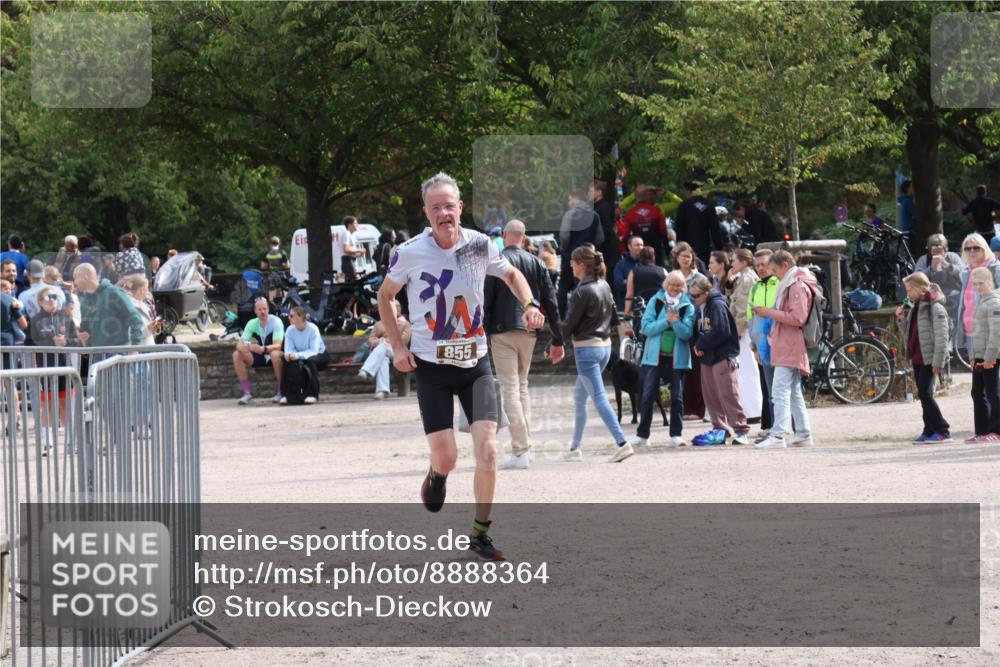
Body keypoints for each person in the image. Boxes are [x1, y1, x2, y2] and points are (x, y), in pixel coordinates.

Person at [376, 172, 545, 561]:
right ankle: (437, 474)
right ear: (426, 212)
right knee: (448, 457)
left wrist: (531, 304)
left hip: (476, 362)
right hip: (432, 366)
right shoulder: (410, 252)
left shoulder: (480, 245)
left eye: (449, 206)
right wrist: (397, 346)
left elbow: (513, 274)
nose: (443, 213)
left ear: (460, 208)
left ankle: (479, 534)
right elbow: (386, 297)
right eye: (435, 207)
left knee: (488, 451)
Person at [483, 219, 564, 470]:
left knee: (510, 389)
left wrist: (482, 332)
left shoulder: (496, 262)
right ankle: (527, 446)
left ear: (505, 235)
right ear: (524, 236)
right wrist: (558, 338)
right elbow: (551, 302)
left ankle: (521, 449)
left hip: (502, 330)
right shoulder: (538, 263)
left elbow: (487, 301)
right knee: (522, 387)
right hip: (530, 329)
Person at [562, 245, 631, 462]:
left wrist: (554, 343)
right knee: (580, 396)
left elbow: (569, 323)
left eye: (573, 262)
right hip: (604, 346)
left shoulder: (582, 291)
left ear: (582, 265)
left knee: (599, 397)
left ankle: (622, 442)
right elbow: (614, 318)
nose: (571, 265)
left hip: (587, 349)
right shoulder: (604, 285)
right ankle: (574, 448)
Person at [751, 250, 815, 449]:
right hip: (785, 343)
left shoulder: (796, 285)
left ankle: (778, 434)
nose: (773, 274)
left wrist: (769, 312)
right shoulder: (790, 283)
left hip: (789, 343)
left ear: (785, 265)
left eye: (775, 270)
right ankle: (803, 433)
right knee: (793, 391)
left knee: (779, 390)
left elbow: (798, 318)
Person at [628, 270, 696, 448]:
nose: (674, 288)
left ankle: (676, 434)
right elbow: (646, 328)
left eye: (678, 285)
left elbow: (687, 333)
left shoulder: (688, 305)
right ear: (666, 284)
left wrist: (675, 322)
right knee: (648, 395)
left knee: (677, 398)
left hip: (677, 357)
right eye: (671, 284)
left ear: (683, 287)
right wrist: (666, 321)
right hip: (654, 357)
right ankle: (642, 435)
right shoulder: (655, 301)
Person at [688, 276, 750, 446]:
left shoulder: (717, 305)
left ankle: (741, 430)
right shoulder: (700, 306)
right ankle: (720, 429)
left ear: (706, 293)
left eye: (696, 296)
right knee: (711, 397)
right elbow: (698, 330)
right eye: (691, 296)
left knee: (729, 394)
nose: (693, 299)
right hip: (708, 357)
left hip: (722, 356)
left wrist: (701, 343)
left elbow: (721, 330)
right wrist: (697, 344)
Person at [895, 273, 952, 443]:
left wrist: (938, 361)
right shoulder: (915, 306)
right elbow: (909, 334)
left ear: (922, 288)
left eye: (910, 290)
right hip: (917, 357)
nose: (908, 294)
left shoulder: (936, 308)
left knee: (926, 394)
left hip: (930, 358)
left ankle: (943, 430)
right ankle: (929, 430)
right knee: (922, 395)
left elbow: (942, 336)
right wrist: (902, 320)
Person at [27, 285, 80, 452]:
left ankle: (71, 442)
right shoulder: (35, 320)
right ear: (41, 302)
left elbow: (76, 341)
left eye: (55, 297)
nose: (53, 301)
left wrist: (67, 342)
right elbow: (30, 344)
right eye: (49, 298)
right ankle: (48, 443)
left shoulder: (66, 317)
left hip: (65, 367)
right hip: (45, 368)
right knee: (48, 405)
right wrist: (51, 343)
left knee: (66, 405)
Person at [671, 242, 707, 421]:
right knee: (680, 367)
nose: (686, 259)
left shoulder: (699, 277)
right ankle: (683, 407)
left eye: (689, 255)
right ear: (676, 258)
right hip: (676, 325)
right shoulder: (672, 276)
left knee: (696, 368)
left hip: (695, 325)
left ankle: (698, 408)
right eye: (683, 256)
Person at [726, 248, 763, 422]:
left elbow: (742, 309)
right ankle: (752, 409)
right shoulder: (743, 278)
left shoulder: (747, 279)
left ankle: (754, 411)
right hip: (745, 328)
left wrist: (737, 332)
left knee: (748, 370)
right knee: (746, 370)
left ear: (743, 261)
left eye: (734, 260)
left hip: (744, 329)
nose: (731, 263)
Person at [747, 249, 779, 436]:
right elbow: (751, 319)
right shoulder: (755, 288)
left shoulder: (781, 284)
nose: (761, 269)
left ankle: (791, 427)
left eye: (764, 265)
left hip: (782, 343)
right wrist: (755, 346)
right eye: (757, 265)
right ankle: (775, 427)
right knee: (770, 389)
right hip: (763, 347)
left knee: (786, 388)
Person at [557, 188, 604, 317]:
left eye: (569, 199)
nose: (569, 202)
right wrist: (590, 249)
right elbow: (600, 238)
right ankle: (586, 315)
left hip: (570, 256)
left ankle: (562, 317)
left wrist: (564, 249)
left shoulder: (570, 214)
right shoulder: (595, 215)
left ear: (574, 197)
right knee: (586, 285)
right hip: (588, 256)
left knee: (563, 286)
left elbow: (564, 236)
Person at [72, 263, 144, 346]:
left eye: (76, 278)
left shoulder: (113, 292)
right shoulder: (85, 302)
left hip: (119, 354)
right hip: (97, 355)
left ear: (85, 277)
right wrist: (82, 335)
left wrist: (134, 346)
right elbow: (86, 331)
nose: (74, 282)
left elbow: (135, 318)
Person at [955, 233, 1000, 361]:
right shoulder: (966, 272)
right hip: (971, 331)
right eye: (968, 248)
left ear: (985, 248)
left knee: (992, 376)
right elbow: (964, 304)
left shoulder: (995, 268)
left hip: (991, 332)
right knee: (979, 375)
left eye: (976, 247)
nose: (972, 251)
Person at [967, 267, 1000, 442]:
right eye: (975, 284)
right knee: (976, 392)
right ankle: (982, 431)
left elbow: (997, 333)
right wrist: (973, 356)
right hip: (980, 356)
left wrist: (989, 357)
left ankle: (996, 431)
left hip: (991, 356)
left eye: (981, 283)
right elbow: (976, 333)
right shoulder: (981, 302)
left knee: (993, 393)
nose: (978, 287)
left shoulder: (994, 303)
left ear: (989, 282)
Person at [232, 296, 285, 405]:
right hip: (260, 355)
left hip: (274, 354)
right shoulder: (252, 323)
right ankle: (247, 393)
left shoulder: (276, 321)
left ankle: (281, 392)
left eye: (265, 309)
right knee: (237, 354)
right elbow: (240, 342)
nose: (263, 312)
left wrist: (263, 348)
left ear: (268, 310)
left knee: (275, 354)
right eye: (260, 309)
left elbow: (278, 345)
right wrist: (242, 347)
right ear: (255, 311)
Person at [359, 299, 411, 400]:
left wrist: (383, 340)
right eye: (395, 306)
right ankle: (382, 391)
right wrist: (375, 341)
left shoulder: (405, 324)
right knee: (383, 358)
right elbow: (371, 339)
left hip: (398, 352)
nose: (398, 308)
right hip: (383, 352)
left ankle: (366, 371)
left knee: (383, 346)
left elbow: (403, 340)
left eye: (398, 306)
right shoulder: (379, 324)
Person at [915, 234, 965, 324]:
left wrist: (948, 266)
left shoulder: (952, 256)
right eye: (934, 247)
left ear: (946, 248)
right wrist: (930, 269)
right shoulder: (923, 260)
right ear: (929, 249)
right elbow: (915, 279)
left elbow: (964, 273)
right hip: (932, 296)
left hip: (953, 295)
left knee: (956, 299)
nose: (937, 250)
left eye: (940, 247)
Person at [282, 306, 326, 405]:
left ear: (300, 317)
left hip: (319, 354)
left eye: (291, 315)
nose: (289, 317)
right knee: (286, 361)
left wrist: (297, 356)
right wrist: (288, 355)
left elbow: (313, 351)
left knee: (310, 360)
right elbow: (288, 348)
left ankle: (313, 394)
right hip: (299, 355)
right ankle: (286, 394)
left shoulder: (313, 329)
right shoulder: (289, 330)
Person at [674, 182, 724, 265]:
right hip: (704, 247)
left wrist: (679, 247)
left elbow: (678, 227)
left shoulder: (684, 205)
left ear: (688, 190)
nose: (683, 193)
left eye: (684, 190)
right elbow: (715, 229)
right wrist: (719, 248)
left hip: (687, 248)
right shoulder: (709, 205)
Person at [624, 184, 668, 266]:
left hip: (638, 252)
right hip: (655, 251)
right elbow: (663, 231)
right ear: (647, 194)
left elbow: (626, 235)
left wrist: (628, 251)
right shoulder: (657, 211)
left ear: (635, 195)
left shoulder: (629, 213)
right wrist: (668, 252)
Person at [624, 246, 666, 316]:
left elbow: (629, 294)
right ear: (653, 257)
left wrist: (627, 312)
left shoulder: (633, 272)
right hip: (659, 307)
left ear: (640, 257)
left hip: (641, 309)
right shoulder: (663, 271)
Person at [589, 179, 620, 268]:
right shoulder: (596, 207)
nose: (589, 193)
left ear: (599, 192)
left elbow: (607, 228)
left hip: (606, 250)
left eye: (591, 191)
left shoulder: (604, 208)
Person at [122, 275, 159, 346]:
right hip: (138, 351)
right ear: (142, 290)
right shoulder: (129, 306)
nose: (148, 291)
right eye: (147, 288)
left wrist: (154, 327)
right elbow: (128, 334)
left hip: (145, 349)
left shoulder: (142, 304)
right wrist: (149, 329)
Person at [612, 235, 644, 310]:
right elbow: (618, 285)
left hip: (643, 307)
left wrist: (628, 281)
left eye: (642, 245)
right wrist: (639, 282)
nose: (640, 248)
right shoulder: (620, 265)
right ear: (629, 247)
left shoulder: (646, 263)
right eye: (637, 245)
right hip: (625, 308)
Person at [341, 216, 366, 281]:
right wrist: (360, 250)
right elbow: (346, 249)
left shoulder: (350, 235)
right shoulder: (346, 234)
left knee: (354, 281)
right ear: (349, 225)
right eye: (355, 223)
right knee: (353, 281)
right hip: (347, 261)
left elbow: (350, 252)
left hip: (350, 260)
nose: (357, 225)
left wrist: (358, 254)